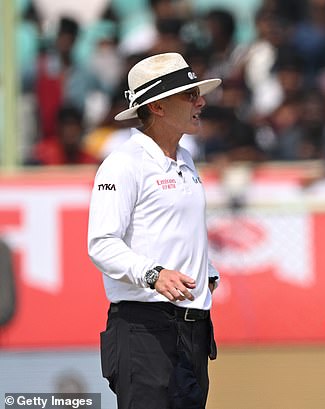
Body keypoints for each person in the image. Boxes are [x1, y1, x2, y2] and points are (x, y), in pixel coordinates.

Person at [87, 52, 222, 409]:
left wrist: (207, 273)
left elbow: (176, 230)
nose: (201, 101)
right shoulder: (123, 164)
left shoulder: (186, 159)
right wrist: (153, 275)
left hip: (193, 330)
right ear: (158, 106)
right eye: (189, 95)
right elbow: (101, 244)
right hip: (144, 330)